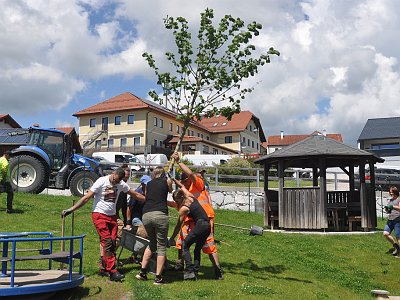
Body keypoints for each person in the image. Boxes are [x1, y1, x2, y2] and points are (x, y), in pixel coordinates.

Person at [61, 167, 145, 281]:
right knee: (107, 241)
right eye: (114, 180)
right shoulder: (101, 181)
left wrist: (151, 201)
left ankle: (104, 268)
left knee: (113, 242)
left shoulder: (121, 184)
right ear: (113, 173)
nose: (115, 183)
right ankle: (113, 271)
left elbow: (135, 194)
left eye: (118, 181)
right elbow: (87, 198)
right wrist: (71, 209)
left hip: (112, 217)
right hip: (99, 215)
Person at [171, 152, 223, 279]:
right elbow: (182, 190)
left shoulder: (198, 183)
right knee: (183, 240)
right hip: (193, 220)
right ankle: (183, 265)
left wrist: (179, 161)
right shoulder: (187, 192)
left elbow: (190, 174)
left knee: (209, 245)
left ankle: (217, 271)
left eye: (185, 180)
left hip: (205, 218)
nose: (185, 182)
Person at [136, 167, 172, 285]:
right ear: (163, 174)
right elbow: (171, 191)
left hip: (146, 215)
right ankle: (158, 277)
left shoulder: (149, 184)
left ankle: (142, 272)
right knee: (161, 246)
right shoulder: (166, 181)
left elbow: (147, 195)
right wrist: (169, 180)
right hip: (160, 214)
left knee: (152, 243)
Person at [169, 177, 211, 280]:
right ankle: (195, 272)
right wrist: (175, 181)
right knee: (197, 249)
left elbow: (178, 225)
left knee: (185, 245)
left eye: (176, 201)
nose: (176, 203)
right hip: (207, 225)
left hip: (200, 225)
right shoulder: (190, 196)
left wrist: (172, 238)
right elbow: (182, 186)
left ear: (179, 199)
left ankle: (189, 270)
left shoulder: (184, 208)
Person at [383, 186, 400, 256]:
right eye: (389, 192)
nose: (390, 193)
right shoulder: (390, 201)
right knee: (385, 233)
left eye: (391, 192)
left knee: (398, 237)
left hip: (397, 220)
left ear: (395, 192)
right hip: (390, 220)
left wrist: (392, 207)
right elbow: (388, 211)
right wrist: (387, 209)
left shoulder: (398, 200)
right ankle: (396, 246)